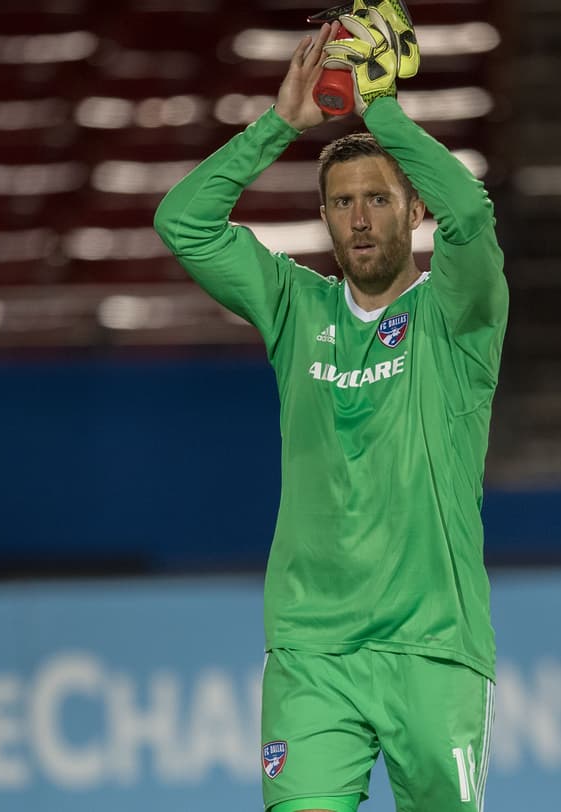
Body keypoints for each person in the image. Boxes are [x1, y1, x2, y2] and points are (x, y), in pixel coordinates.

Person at [154, 4, 508, 811]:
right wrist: (280, 124)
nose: (359, 216)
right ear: (323, 218)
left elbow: (474, 216)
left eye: (379, 199)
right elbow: (182, 223)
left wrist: (380, 110)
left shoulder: (456, 321)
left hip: (433, 651)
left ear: (413, 213)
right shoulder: (294, 308)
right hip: (312, 657)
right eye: (343, 201)